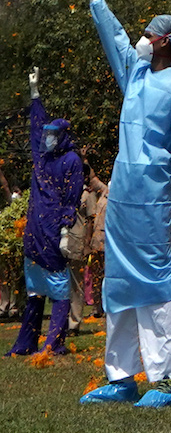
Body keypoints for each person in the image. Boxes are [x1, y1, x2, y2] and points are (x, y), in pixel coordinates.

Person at [79, 0, 171, 408]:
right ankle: (121, 376)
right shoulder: (133, 74)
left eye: (150, 32)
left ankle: (169, 380)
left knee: (156, 279)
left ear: (167, 41)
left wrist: (169, 178)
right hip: (123, 194)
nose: (142, 38)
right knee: (118, 281)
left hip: (152, 195)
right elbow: (112, 36)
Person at [5, 67, 84, 357]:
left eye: (53, 135)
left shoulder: (72, 160)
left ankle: (54, 343)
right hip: (34, 233)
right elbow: (36, 125)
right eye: (46, 136)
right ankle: (26, 343)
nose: (46, 139)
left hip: (53, 232)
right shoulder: (41, 158)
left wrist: (65, 230)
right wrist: (35, 92)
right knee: (34, 291)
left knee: (59, 289)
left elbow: (72, 198)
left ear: (62, 137)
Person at [66, 163, 97, 336]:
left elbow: (91, 220)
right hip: (64, 240)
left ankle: (74, 323)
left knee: (76, 284)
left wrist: (87, 245)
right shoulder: (66, 191)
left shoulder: (88, 194)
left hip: (78, 241)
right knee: (63, 282)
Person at [82, 167, 108, 319]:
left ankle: (107, 306)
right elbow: (94, 179)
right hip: (96, 241)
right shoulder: (105, 192)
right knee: (96, 276)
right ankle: (97, 307)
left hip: (109, 242)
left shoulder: (119, 195)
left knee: (108, 275)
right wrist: (84, 161)